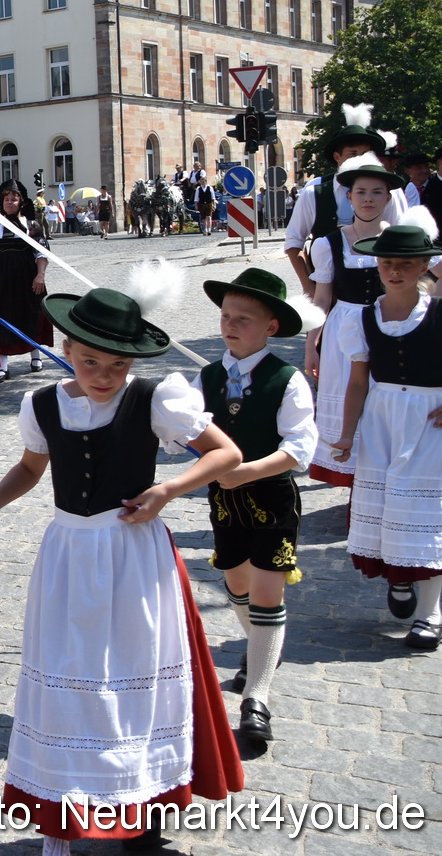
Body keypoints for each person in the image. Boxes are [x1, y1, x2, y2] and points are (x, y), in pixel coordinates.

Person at [0, 286, 244, 853]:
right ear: (67, 347)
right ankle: (60, 817)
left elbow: (226, 455)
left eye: (118, 364)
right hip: (68, 556)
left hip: (134, 556)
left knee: (134, 678)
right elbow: (28, 468)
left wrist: (167, 489)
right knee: (68, 680)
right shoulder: (41, 405)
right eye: (90, 360)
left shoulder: (156, 397)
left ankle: (143, 806)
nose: (104, 375)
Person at [194, 270, 319, 744]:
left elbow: (300, 447)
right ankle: (262, 646)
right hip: (225, 503)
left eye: (243, 319)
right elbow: (179, 426)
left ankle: (257, 699)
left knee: (268, 590)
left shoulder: (287, 380)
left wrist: (245, 471)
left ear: (270, 326)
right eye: (226, 316)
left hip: (271, 498)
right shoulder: (207, 376)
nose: (230, 325)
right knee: (237, 584)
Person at [327, 215, 442, 650]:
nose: (395, 271)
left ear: (424, 268)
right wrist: (346, 435)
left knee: (424, 509)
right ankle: (400, 581)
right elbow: (358, 381)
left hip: (430, 416)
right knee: (384, 502)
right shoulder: (362, 319)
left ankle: (430, 611)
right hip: (382, 418)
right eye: (386, 263)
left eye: (405, 263)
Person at [304, 157, 442, 494]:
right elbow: (322, 298)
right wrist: (312, 344)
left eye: (376, 192)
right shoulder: (328, 243)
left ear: (388, 198)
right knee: (351, 394)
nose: (368, 198)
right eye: (361, 192)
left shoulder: (404, 238)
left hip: (392, 327)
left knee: (389, 400)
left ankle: (389, 478)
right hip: (346, 331)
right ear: (349, 198)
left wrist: (425, 312)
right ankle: (357, 480)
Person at [283, 105, 407, 297]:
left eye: (367, 154)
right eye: (353, 153)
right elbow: (294, 243)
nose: (361, 159)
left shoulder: (391, 191)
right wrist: (309, 287)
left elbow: (401, 238)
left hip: (380, 288)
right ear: (337, 156)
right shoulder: (314, 192)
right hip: (328, 289)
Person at [0, 179, 51, 378]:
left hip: (27, 277)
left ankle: (35, 355)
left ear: (21, 202)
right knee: (1, 317)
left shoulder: (32, 225)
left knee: (30, 314)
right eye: (6, 199)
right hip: (0, 280)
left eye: (13, 199)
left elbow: (41, 253)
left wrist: (40, 275)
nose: (9, 202)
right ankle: (2, 364)